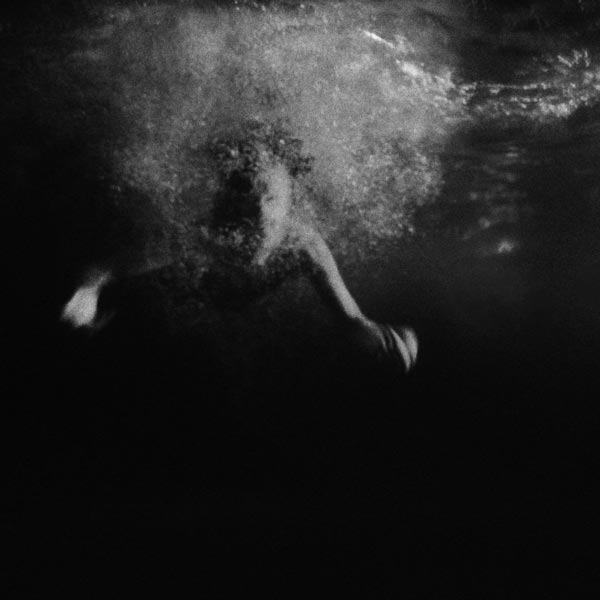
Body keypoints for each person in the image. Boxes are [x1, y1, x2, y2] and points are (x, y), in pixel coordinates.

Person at [61, 123, 418, 373]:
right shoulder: (205, 235)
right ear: (232, 203)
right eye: (250, 199)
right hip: (196, 299)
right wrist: (87, 292)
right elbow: (106, 269)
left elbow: (351, 318)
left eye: (271, 199)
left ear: (289, 201)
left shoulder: (303, 245)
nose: (261, 214)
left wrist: (380, 339)